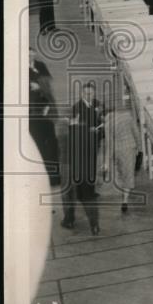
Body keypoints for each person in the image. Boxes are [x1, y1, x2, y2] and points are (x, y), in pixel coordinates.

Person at [61, 81, 104, 235]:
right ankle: (78, 221)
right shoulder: (75, 109)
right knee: (81, 192)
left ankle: (89, 223)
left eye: (91, 93)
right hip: (79, 159)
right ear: (81, 94)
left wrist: (99, 130)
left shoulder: (98, 106)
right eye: (86, 93)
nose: (89, 96)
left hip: (89, 157)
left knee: (81, 192)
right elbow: (73, 133)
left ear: (94, 94)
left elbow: (103, 127)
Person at [103, 105, 140, 212]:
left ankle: (124, 188)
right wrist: (139, 147)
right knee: (129, 174)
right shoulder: (127, 116)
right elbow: (136, 133)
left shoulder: (108, 124)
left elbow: (109, 145)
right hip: (130, 148)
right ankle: (125, 200)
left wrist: (106, 162)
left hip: (117, 151)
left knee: (122, 172)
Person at [28, 70, 61, 186]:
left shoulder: (39, 96)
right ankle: (53, 179)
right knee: (50, 152)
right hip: (45, 125)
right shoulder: (46, 96)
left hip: (39, 124)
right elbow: (53, 113)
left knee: (45, 152)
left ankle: (50, 179)